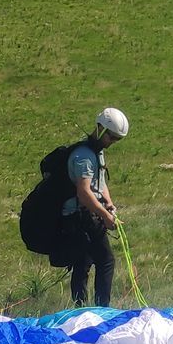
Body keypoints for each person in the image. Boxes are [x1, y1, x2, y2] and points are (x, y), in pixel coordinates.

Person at [59, 107, 127, 306]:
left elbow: (100, 184)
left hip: (87, 214)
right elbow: (84, 192)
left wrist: (110, 204)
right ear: (100, 129)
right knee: (105, 261)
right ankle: (99, 309)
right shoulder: (84, 157)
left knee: (84, 262)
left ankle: (83, 310)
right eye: (112, 138)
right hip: (78, 217)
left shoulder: (97, 153)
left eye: (117, 139)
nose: (113, 142)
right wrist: (105, 216)